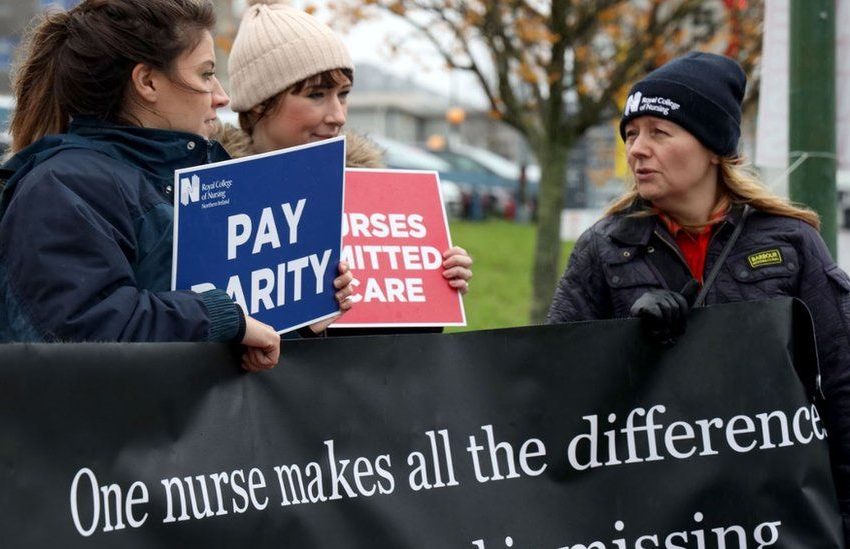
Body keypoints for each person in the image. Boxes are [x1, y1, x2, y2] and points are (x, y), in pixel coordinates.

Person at [546, 51, 850, 541]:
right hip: (653, 520)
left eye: (659, 133)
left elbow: (842, 383)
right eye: (631, 134)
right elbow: (553, 382)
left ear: (714, 148)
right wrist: (626, 340)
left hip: (772, 517)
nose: (638, 149)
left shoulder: (791, 243)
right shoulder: (603, 249)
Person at [0, 0, 353, 371]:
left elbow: (235, 331)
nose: (221, 96)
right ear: (148, 82)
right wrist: (222, 318)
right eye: (205, 74)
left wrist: (299, 317)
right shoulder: (61, 187)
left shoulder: (203, 176)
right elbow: (79, 332)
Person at [216, 0, 472, 336]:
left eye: (344, 94)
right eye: (317, 95)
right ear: (260, 102)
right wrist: (301, 329)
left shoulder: (374, 197)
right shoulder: (214, 201)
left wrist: (433, 286)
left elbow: (400, 356)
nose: (338, 115)